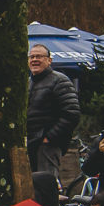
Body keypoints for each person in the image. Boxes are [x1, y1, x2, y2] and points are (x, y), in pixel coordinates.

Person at [27, 44, 81, 181]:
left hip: (47, 145)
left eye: (39, 56)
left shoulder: (59, 80)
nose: (34, 60)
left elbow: (72, 113)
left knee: (46, 186)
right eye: (32, 57)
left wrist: (50, 138)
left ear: (49, 61)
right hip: (30, 144)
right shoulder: (27, 83)